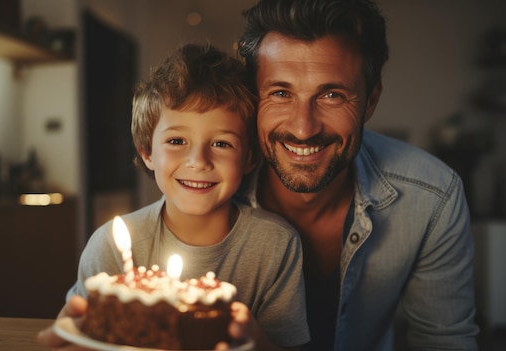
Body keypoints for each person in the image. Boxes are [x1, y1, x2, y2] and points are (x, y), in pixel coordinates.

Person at [234, 0, 480, 350]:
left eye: (332, 95)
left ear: (371, 99)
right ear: (253, 98)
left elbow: (444, 342)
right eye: (281, 93)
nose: (304, 129)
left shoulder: (433, 196)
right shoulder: (213, 187)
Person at [37, 43, 310, 351]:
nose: (198, 161)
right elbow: (76, 332)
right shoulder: (109, 247)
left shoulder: (276, 245)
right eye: (177, 140)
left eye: (221, 144)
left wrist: (256, 340)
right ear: (147, 152)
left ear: (249, 158)